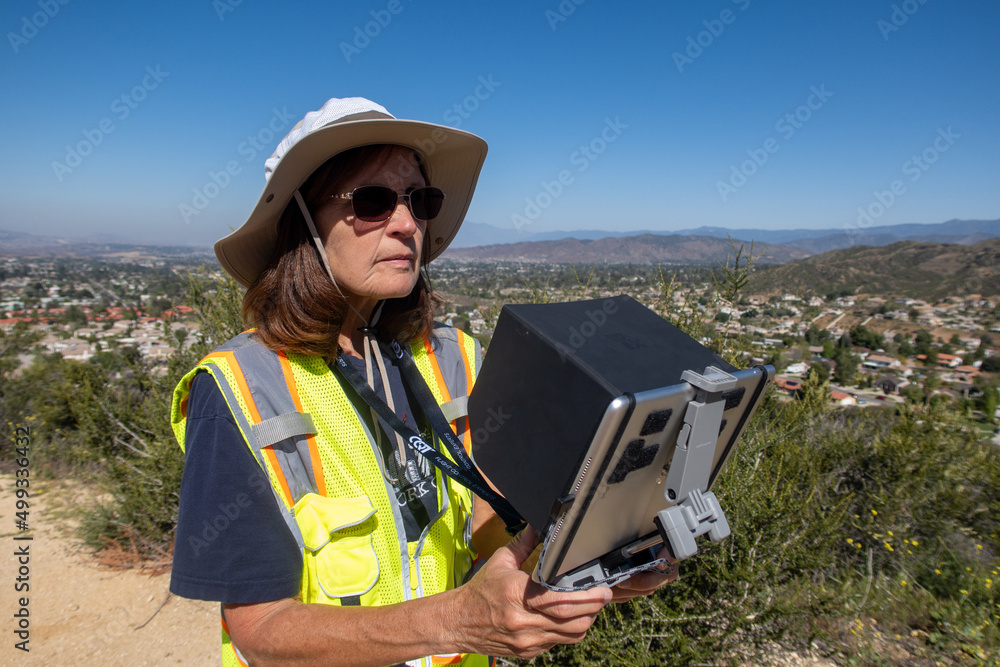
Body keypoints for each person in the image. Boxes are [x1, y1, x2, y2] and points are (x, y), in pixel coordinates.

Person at [169, 97, 677, 667]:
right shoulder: (240, 387)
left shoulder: (456, 358)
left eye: (420, 199)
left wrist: (580, 566)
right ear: (303, 222)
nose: (408, 223)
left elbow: (484, 523)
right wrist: (457, 623)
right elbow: (260, 631)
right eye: (372, 201)